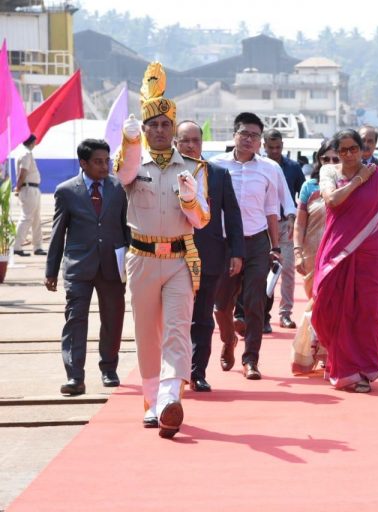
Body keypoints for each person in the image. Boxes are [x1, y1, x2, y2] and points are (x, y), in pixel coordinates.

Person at [115, 62, 210, 439]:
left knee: (176, 330)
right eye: (152, 124)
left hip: (178, 260)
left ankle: (172, 398)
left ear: (174, 129)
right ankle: (151, 401)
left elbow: (201, 219)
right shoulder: (134, 162)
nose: (158, 130)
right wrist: (130, 141)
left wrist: (189, 198)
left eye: (165, 125)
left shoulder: (193, 167)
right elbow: (123, 173)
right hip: (141, 257)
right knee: (146, 334)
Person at [312, 129, 378, 392]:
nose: (349, 154)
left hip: (370, 254)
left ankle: (363, 370)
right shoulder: (330, 173)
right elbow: (332, 201)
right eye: (343, 150)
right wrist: (357, 181)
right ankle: (341, 365)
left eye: (354, 148)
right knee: (329, 308)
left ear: (362, 149)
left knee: (368, 311)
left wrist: (375, 233)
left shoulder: (376, 176)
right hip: (336, 251)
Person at [45, 139, 129, 396]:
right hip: (78, 267)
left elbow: (127, 228)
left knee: (113, 319)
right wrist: (51, 270)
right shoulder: (66, 191)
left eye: (107, 161)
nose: (105, 166)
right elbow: (58, 233)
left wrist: (133, 261)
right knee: (75, 320)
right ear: (83, 163)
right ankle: (75, 377)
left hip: (113, 266)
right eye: (98, 162)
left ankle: (108, 368)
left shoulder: (120, 188)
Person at [209, 113, 282, 381]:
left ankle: (251, 359)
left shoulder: (269, 169)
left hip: (256, 242)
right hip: (224, 244)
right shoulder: (215, 166)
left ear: (260, 140)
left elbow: (272, 210)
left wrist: (276, 247)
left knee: (255, 303)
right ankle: (228, 341)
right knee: (221, 305)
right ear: (234, 136)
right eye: (244, 134)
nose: (249, 139)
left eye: (255, 135)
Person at [174, 121, 244, 392]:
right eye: (185, 141)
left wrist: (237, 252)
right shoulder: (166, 173)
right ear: (175, 144)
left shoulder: (217, 174)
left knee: (202, 317)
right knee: (175, 318)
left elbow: (233, 215)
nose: (191, 145)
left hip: (210, 256)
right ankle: (174, 373)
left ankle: (197, 373)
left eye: (195, 140)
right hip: (172, 255)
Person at [291, 140, 336, 374]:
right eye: (325, 159)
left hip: (338, 257)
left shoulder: (347, 187)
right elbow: (300, 225)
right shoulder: (310, 187)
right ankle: (317, 351)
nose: (330, 164)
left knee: (332, 306)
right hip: (312, 255)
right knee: (316, 304)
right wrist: (297, 253)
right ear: (318, 160)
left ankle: (329, 354)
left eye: (335, 159)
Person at [262, 129, 304, 330]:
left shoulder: (294, 168)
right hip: (261, 226)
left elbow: (301, 197)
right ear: (264, 146)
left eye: (278, 147)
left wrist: (295, 222)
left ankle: (285, 313)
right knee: (261, 271)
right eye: (271, 147)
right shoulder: (258, 166)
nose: (275, 151)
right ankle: (262, 315)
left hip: (285, 225)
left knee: (287, 271)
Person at [13, 135, 45, 257]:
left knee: (36, 219)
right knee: (26, 218)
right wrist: (18, 187)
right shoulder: (26, 153)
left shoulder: (25, 152)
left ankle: (37, 246)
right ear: (32, 142)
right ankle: (16, 246)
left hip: (33, 188)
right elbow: (23, 172)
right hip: (28, 188)